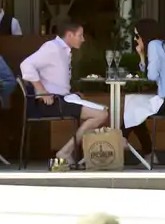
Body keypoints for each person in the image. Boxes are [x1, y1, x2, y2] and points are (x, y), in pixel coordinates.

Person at [20, 19, 108, 165]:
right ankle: (66, 151)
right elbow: (26, 65)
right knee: (101, 114)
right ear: (69, 35)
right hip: (52, 102)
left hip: (63, 98)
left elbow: (56, 79)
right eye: (80, 35)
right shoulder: (52, 48)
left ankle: (72, 151)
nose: (83, 39)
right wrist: (42, 91)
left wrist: (72, 94)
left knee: (103, 112)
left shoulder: (63, 50)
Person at [122, 18, 165, 162]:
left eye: (137, 36)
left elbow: (151, 76)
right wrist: (142, 55)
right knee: (134, 105)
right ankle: (143, 151)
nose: (136, 40)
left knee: (134, 107)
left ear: (144, 34)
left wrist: (142, 54)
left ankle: (122, 139)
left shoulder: (153, 45)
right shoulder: (160, 45)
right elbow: (150, 73)